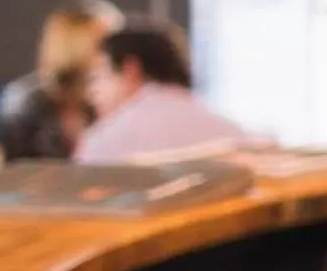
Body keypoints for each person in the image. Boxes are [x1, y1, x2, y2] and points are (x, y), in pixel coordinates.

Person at [76, 20, 252, 164]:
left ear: (130, 71)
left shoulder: (104, 142)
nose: (92, 93)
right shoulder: (234, 134)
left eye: (99, 77)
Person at [0, 0, 123, 161]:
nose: (118, 54)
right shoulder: (25, 101)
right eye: (103, 44)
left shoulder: (119, 98)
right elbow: (18, 165)